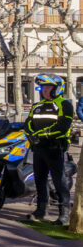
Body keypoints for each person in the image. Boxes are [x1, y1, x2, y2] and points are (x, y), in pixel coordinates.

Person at [25, 74, 75, 226]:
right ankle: (41, 210)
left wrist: (41, 134)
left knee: (59, 181)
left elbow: (62, 127)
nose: (45, 90)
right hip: (38, 148)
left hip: (54, 148)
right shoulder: (37, 106)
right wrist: (31, 135)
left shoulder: (64, 104)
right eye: (43, 87)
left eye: (48, 87)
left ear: (56, 88)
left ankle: (64, 213)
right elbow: (28, 124)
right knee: (40, 180)